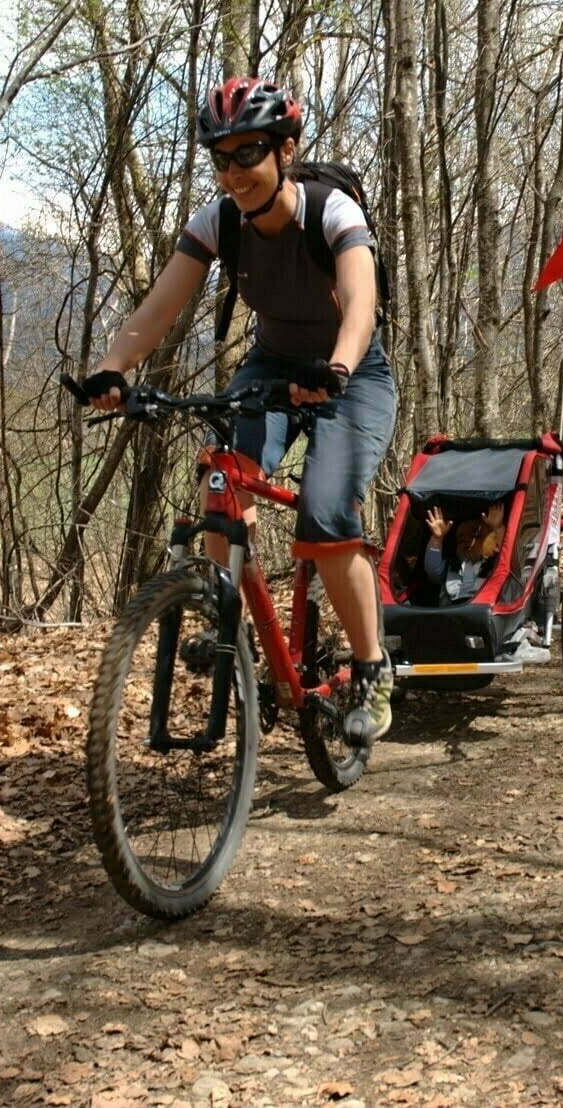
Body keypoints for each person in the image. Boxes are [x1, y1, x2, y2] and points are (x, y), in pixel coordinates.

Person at [77, 77, 396, 743]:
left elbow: (360, 300)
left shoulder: (330, 211)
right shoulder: (218, 222)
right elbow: (158, 309)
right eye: (219, 159)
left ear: (285, 149)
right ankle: (232, 623)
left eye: (247, 154)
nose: (233, 173)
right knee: (221, 478)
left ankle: (372, 668)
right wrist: (113, 368)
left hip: (352, 374)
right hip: (270, 368)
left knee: (326, 511)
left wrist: (336, 367)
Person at [422, 503, 504, 605]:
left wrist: (498, 528)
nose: (465, 539)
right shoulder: (451, 566)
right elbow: (433, 571)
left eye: (475, 534)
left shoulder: (499, 566)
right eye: (460, 538)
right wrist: (437, 539)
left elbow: (507, 553)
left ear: (496, 545)